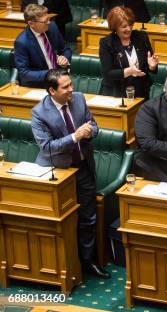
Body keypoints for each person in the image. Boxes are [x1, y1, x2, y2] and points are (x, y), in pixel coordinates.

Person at [30, 69, 110, 279]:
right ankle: (65, 265)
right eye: (65, 87)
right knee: (61, 222)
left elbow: (94, 126)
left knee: (88, 218)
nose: (71, 90)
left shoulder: (79, 100)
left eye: (71, 84)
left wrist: (91, 130)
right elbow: (46, 147)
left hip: (82, 167)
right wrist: (74, 136)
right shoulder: (39, 112)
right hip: (56, 173)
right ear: (51, 90)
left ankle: (87, 262)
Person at [99, 6, 159, 99]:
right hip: (116, 93)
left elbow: (149, 65)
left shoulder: (141, 37)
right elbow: (108, 73)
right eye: (124, 26)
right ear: (115, 27)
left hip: (141, 92)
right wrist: (129, 71)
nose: (129, 29)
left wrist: (152, 66)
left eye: (130, 24)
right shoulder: (107, 43)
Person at [14, 4, 72, 88]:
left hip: (60, 80)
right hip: (39, 84)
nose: (49, 22)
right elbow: (24, 72)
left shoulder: (52, 27)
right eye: (45, 21)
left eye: (49, 18)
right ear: (31, 23)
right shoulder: (22, 42)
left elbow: (65, 49)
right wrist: (50, 73)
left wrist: (65, 59)